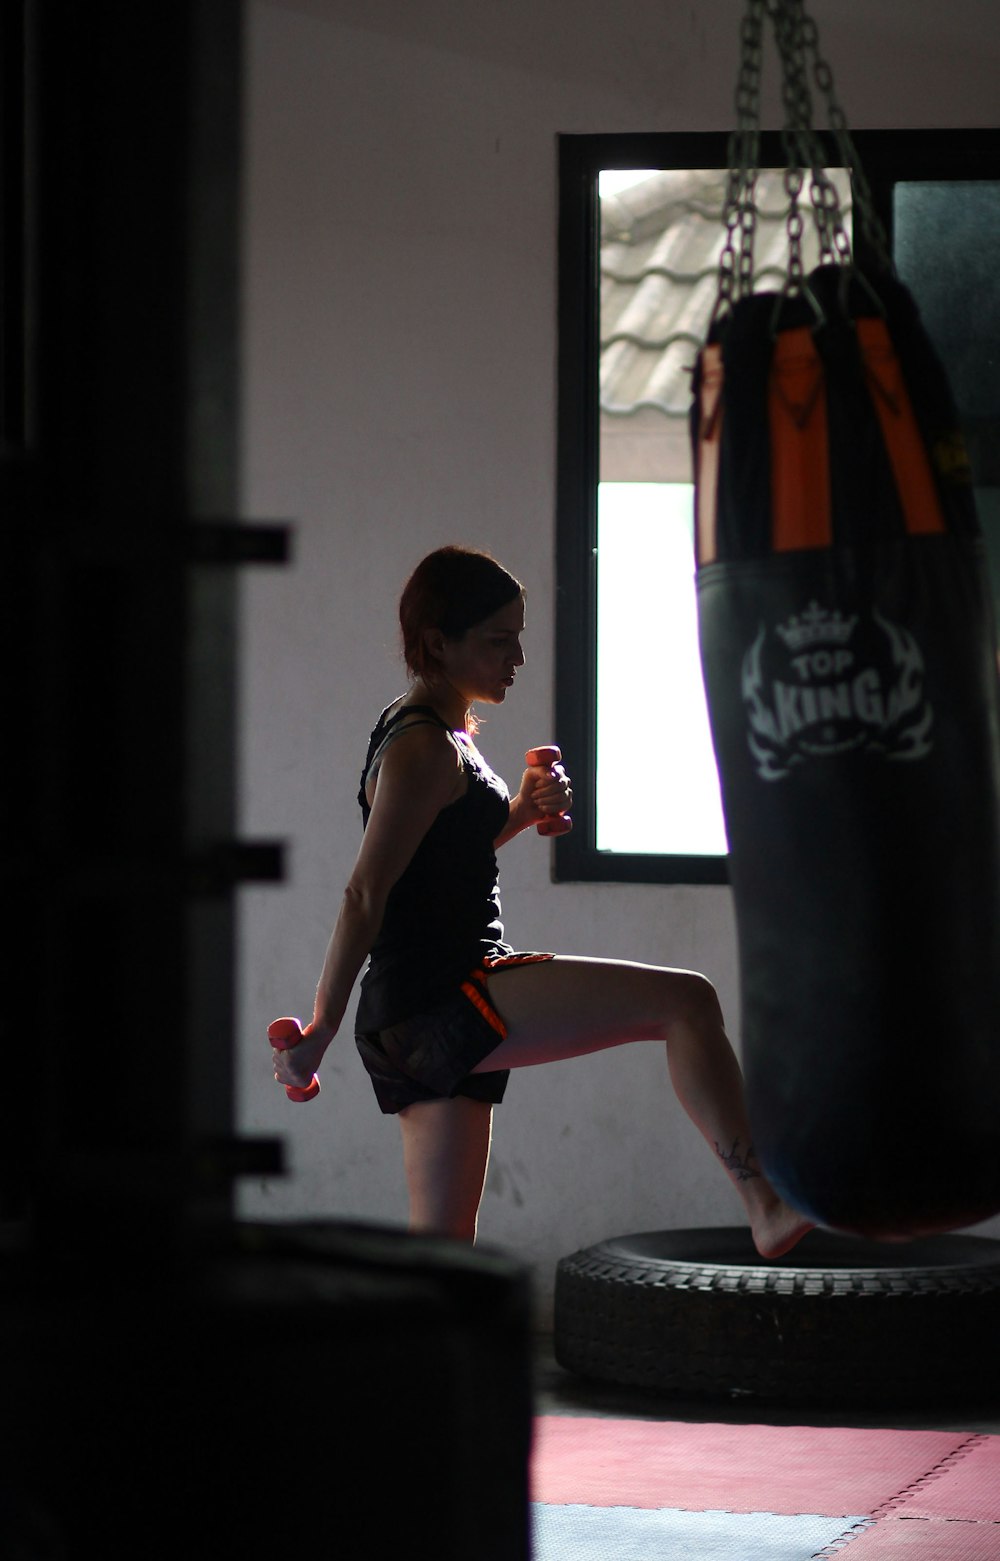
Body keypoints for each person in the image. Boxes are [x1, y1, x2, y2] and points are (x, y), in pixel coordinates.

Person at [271, 544, 812, 1258]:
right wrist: (319, 1028)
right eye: (499, 641)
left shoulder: (431, 730)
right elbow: (366, 892)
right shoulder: (423, 748)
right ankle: (765, 1205)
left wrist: (518, 814)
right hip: (446, 995)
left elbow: (433, 869)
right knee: (688, 1003)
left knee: (443, 1250)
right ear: (438, 641)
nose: (516, 658)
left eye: (517, 638)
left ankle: (410, 1368)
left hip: (419, 1018)